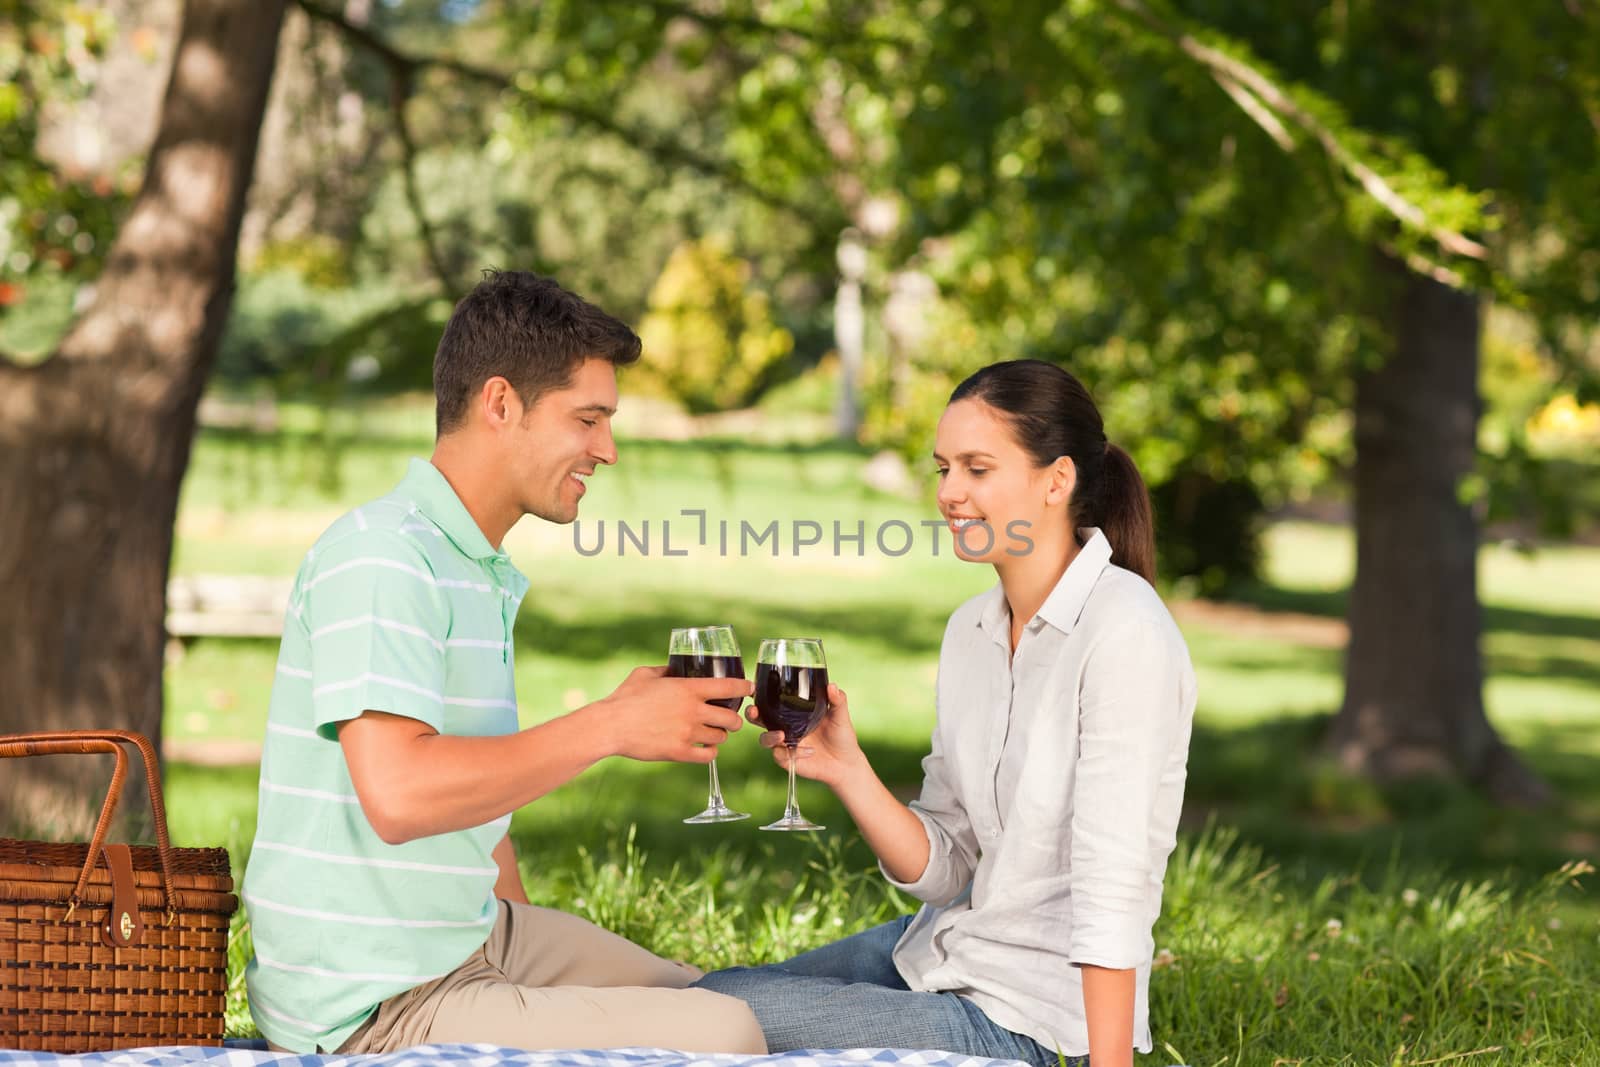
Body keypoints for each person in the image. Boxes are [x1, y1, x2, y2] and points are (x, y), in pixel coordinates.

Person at [241, 270, 766, 1056]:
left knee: (704, 995)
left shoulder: (472, 564)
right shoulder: (384, 555)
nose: (608, 449)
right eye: (588, 419)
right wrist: (610, 725)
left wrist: (518, 976)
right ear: (499, 403)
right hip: (369, 1003)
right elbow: (402, 793)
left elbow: (480, 814)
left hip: (467, 941)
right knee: (725, 1034)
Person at [695, 359, 1197, 1067]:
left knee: (717, 1023)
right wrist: (847, 769)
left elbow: (1115, 881)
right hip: (940, 956)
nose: (950, 493)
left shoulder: (1125, 632)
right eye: (943, 469)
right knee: (710, 998)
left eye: (977, 469)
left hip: (1030, 1022)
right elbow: (947, 870)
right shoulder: (973, 628)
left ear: (1057, 481)